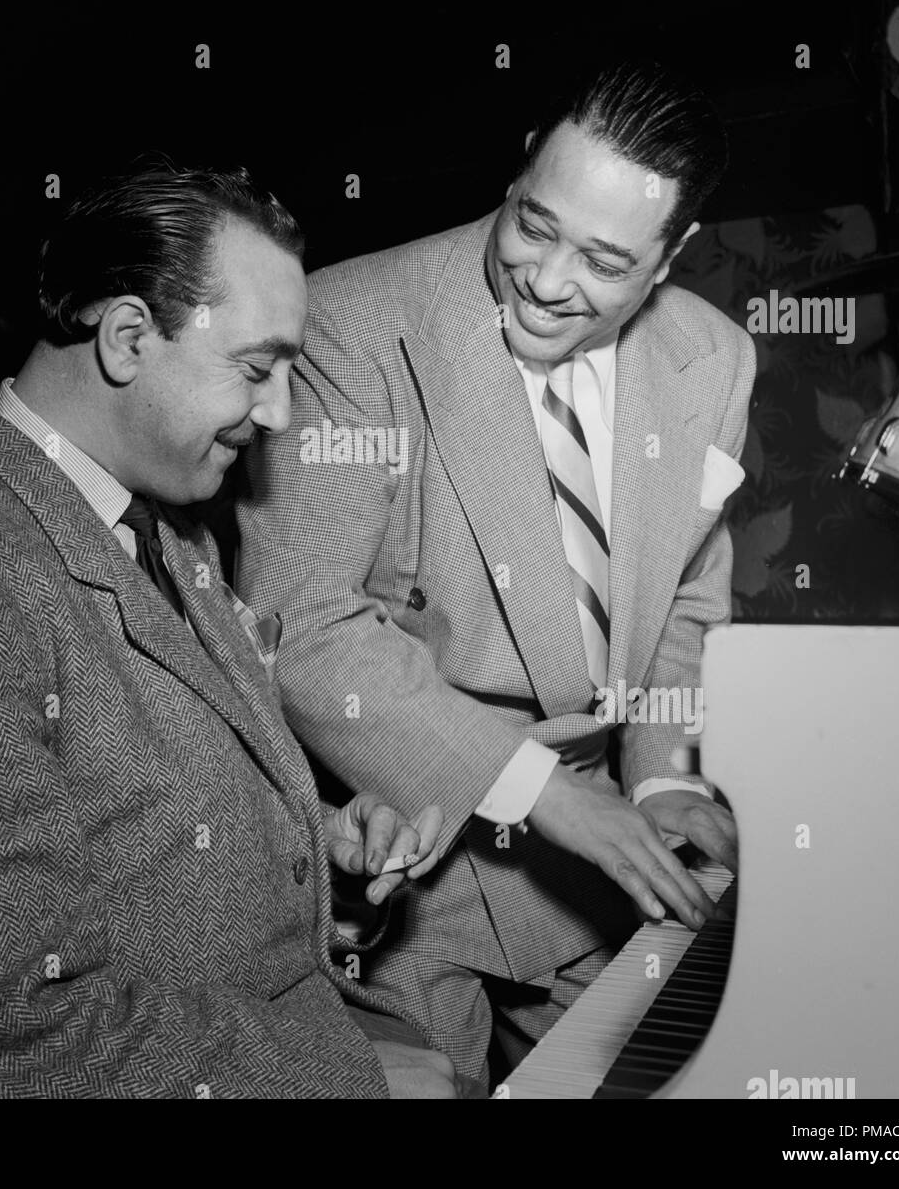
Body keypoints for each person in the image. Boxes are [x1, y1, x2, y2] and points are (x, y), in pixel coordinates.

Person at [0, 162, 462, 1099]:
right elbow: (0, 1044)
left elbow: (161, 844)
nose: (276, 415)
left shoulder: (172, 535)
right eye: (256, 370)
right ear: (127, 337)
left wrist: (323, 863)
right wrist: (354, 1078)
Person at [236, 58, 756, 1085]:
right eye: (533, 224)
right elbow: (304, 626)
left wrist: (656, 777)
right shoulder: (348, 320)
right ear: (522, 166)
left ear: (673, 255)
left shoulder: (718, 357)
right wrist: (546, 796)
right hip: (396, 855)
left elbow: (689, 598)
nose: (549, 279)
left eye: (605, 261)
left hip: (606, 850)